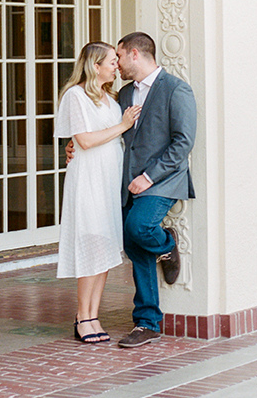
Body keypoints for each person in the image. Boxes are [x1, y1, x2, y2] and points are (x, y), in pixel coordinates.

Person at [55, 42, 141, 343]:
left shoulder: (111, 98)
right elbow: (85, 140)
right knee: (90, 244)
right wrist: (123, 125)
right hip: (88, 179)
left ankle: (94, 314)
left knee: (104, 246)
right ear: (95, 66)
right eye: (111, 61)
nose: (116, 65)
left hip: (109, 179)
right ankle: (82, 316)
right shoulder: (76, 96)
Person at [115, 31, 196, 349]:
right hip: (126, 183)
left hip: (162, 181)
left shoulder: (177, 89)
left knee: (139, 228)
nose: (117, 63)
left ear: (135, 53)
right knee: (132, 244)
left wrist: (149, 177)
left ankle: (166, 242)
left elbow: (183, 142)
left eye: (119, 56)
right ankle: (146, 323)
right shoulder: (123, 94)